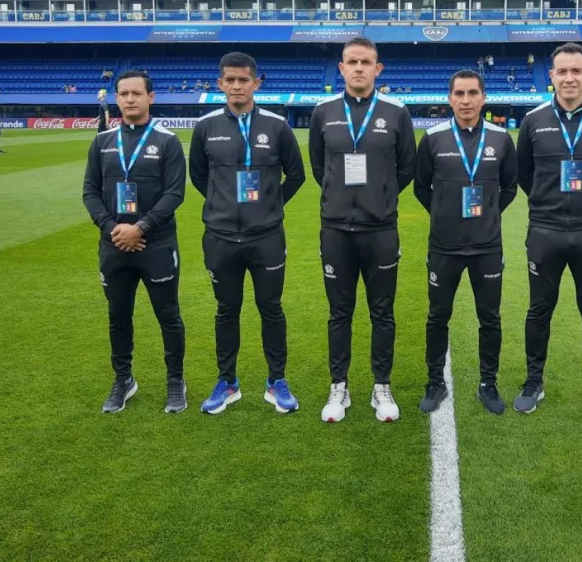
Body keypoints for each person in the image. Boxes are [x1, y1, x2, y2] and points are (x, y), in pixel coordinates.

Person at [190, 52, 306, 416]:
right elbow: (199, 177)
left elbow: (297, 175)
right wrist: (224, 206)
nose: (237, 86)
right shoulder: (206, 127)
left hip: (266, 237)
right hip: (221, 237)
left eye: (244, 80)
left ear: (257, 83)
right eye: (230, 80)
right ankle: (227, 382)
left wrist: (269, 206)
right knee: (227, 310)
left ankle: (277, 381)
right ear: (220, 83)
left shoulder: (277, 126)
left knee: (271, 308)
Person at [309, 36, 417, 423]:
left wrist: (381, 197)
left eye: (365, 62)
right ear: (341, 68)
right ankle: (339, 386)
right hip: (336, 230)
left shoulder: (396, 113)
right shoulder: (323, 112)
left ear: (378, 68)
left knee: (382, 312)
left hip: (380, 230)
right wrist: (341, 199)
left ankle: (381, 386)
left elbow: (406, 169)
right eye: (351, 61)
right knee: (340, 312)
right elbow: (319, 168)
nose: (358, 68)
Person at [515, 43, 582, 418]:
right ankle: (533, 381)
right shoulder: (533, 120)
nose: (569, 78)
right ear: (552, 76)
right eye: (561, 71)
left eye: (576, 71)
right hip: (544, 231)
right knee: (539, 310)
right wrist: (549, 205)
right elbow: (525, 175)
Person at [82, 70, 188, 415]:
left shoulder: (168, 141)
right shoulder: (102, 141)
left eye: (136, 93)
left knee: (168, 316)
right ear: (116, 98)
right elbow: (90, 192)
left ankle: (175, 381)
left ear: (150, 97)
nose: (129, 99)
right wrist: (114, 228)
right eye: (123, 93)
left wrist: (140, 227)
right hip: (114, 246)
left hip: (156, 244)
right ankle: (123, 380)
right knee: (118, 316)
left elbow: (174, 194)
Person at [414, 70, 518, 416]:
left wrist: (486, 215)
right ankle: (434, 381)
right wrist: (444, 215)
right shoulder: (432, 139)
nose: (466, 100)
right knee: (437, 316)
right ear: (449, 99)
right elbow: (421, 188)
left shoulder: (502, 139)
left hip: (487, 247)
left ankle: (488, 383)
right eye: (459, 93)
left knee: (489, 317)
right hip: (443, 247)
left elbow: (509, 189)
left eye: (473, 93)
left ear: (483, 98)